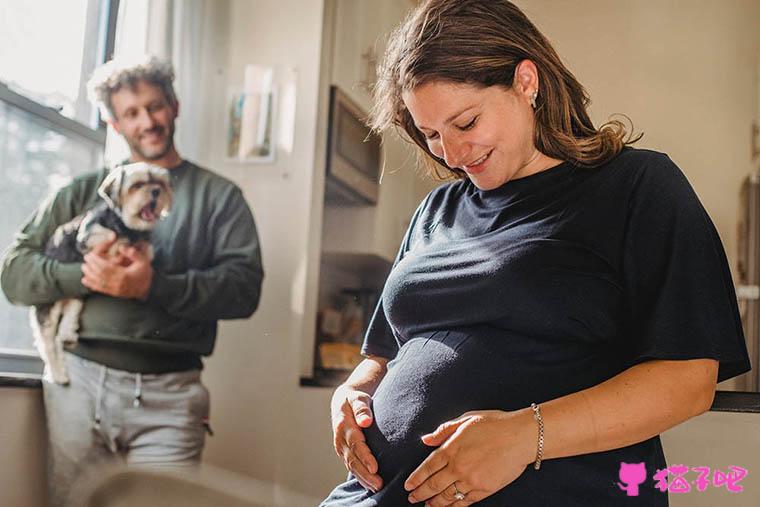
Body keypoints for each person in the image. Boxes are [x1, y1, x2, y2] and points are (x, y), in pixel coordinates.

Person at [321, 1, 751, 506]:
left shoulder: (637, 187)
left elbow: (688, 381)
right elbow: (381, 356)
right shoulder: (435, 210)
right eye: (431, 135)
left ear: (526, 81)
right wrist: (349, 396)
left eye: (465, 122)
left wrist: (524, 436)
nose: (451, 155)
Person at [0, 56, 264, 507]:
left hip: (172, 397)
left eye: (155, 106)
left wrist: (150, 287)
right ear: (113, 122)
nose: (148, 121)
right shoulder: (84, 191)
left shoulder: (220, 197)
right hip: (76, 389)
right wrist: (86, 276)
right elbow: (14, 273)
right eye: (132, 112)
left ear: (175, 106)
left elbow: (244, 290)